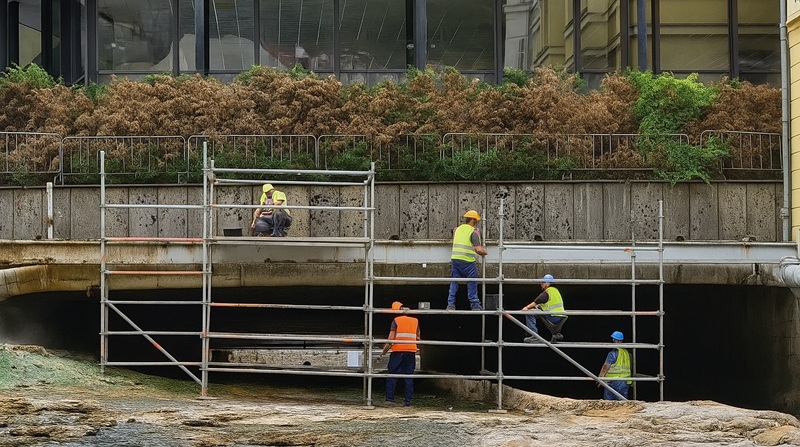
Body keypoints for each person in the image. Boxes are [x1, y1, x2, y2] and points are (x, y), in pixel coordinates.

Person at [380, 301, 420, 406]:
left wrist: (383, 352)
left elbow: (390, 338)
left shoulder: (396, 320)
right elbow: (418, 337)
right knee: (409, 376)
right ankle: (408, 401)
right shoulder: (415, 321)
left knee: (392, 375)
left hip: (398, 351)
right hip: (410, 352)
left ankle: (390, 399)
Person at [446, 210, 488, 310]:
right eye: (476, 221)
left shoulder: (457, 229)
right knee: (472, 281)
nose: (477, 223)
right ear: (473, 220)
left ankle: (450, 304)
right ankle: (475, 305)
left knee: (454, 282)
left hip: (455, 260)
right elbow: (478, 249)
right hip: (468, 261)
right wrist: (485, 252)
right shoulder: (472, 232)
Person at [522, 274, 566, 343]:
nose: (541, 284)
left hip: (553, 317)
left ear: (547, 283)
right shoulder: (556, 291)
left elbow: (536, 302)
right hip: (560, 317)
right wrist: (539, 307)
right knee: (539, 312)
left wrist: (526, 307)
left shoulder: (547, 292)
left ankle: (534, 336)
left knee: (529, 313)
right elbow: (547, 304)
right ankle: (556, 334)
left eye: (543, 282)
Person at [597, 331, 632, 400]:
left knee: (610, 404)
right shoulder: (626, 353)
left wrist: (600, 379)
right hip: (624, 382)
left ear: (614, 340)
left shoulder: (612, 353)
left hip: (613, 382)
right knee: (622, 404)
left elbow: (605, 367)